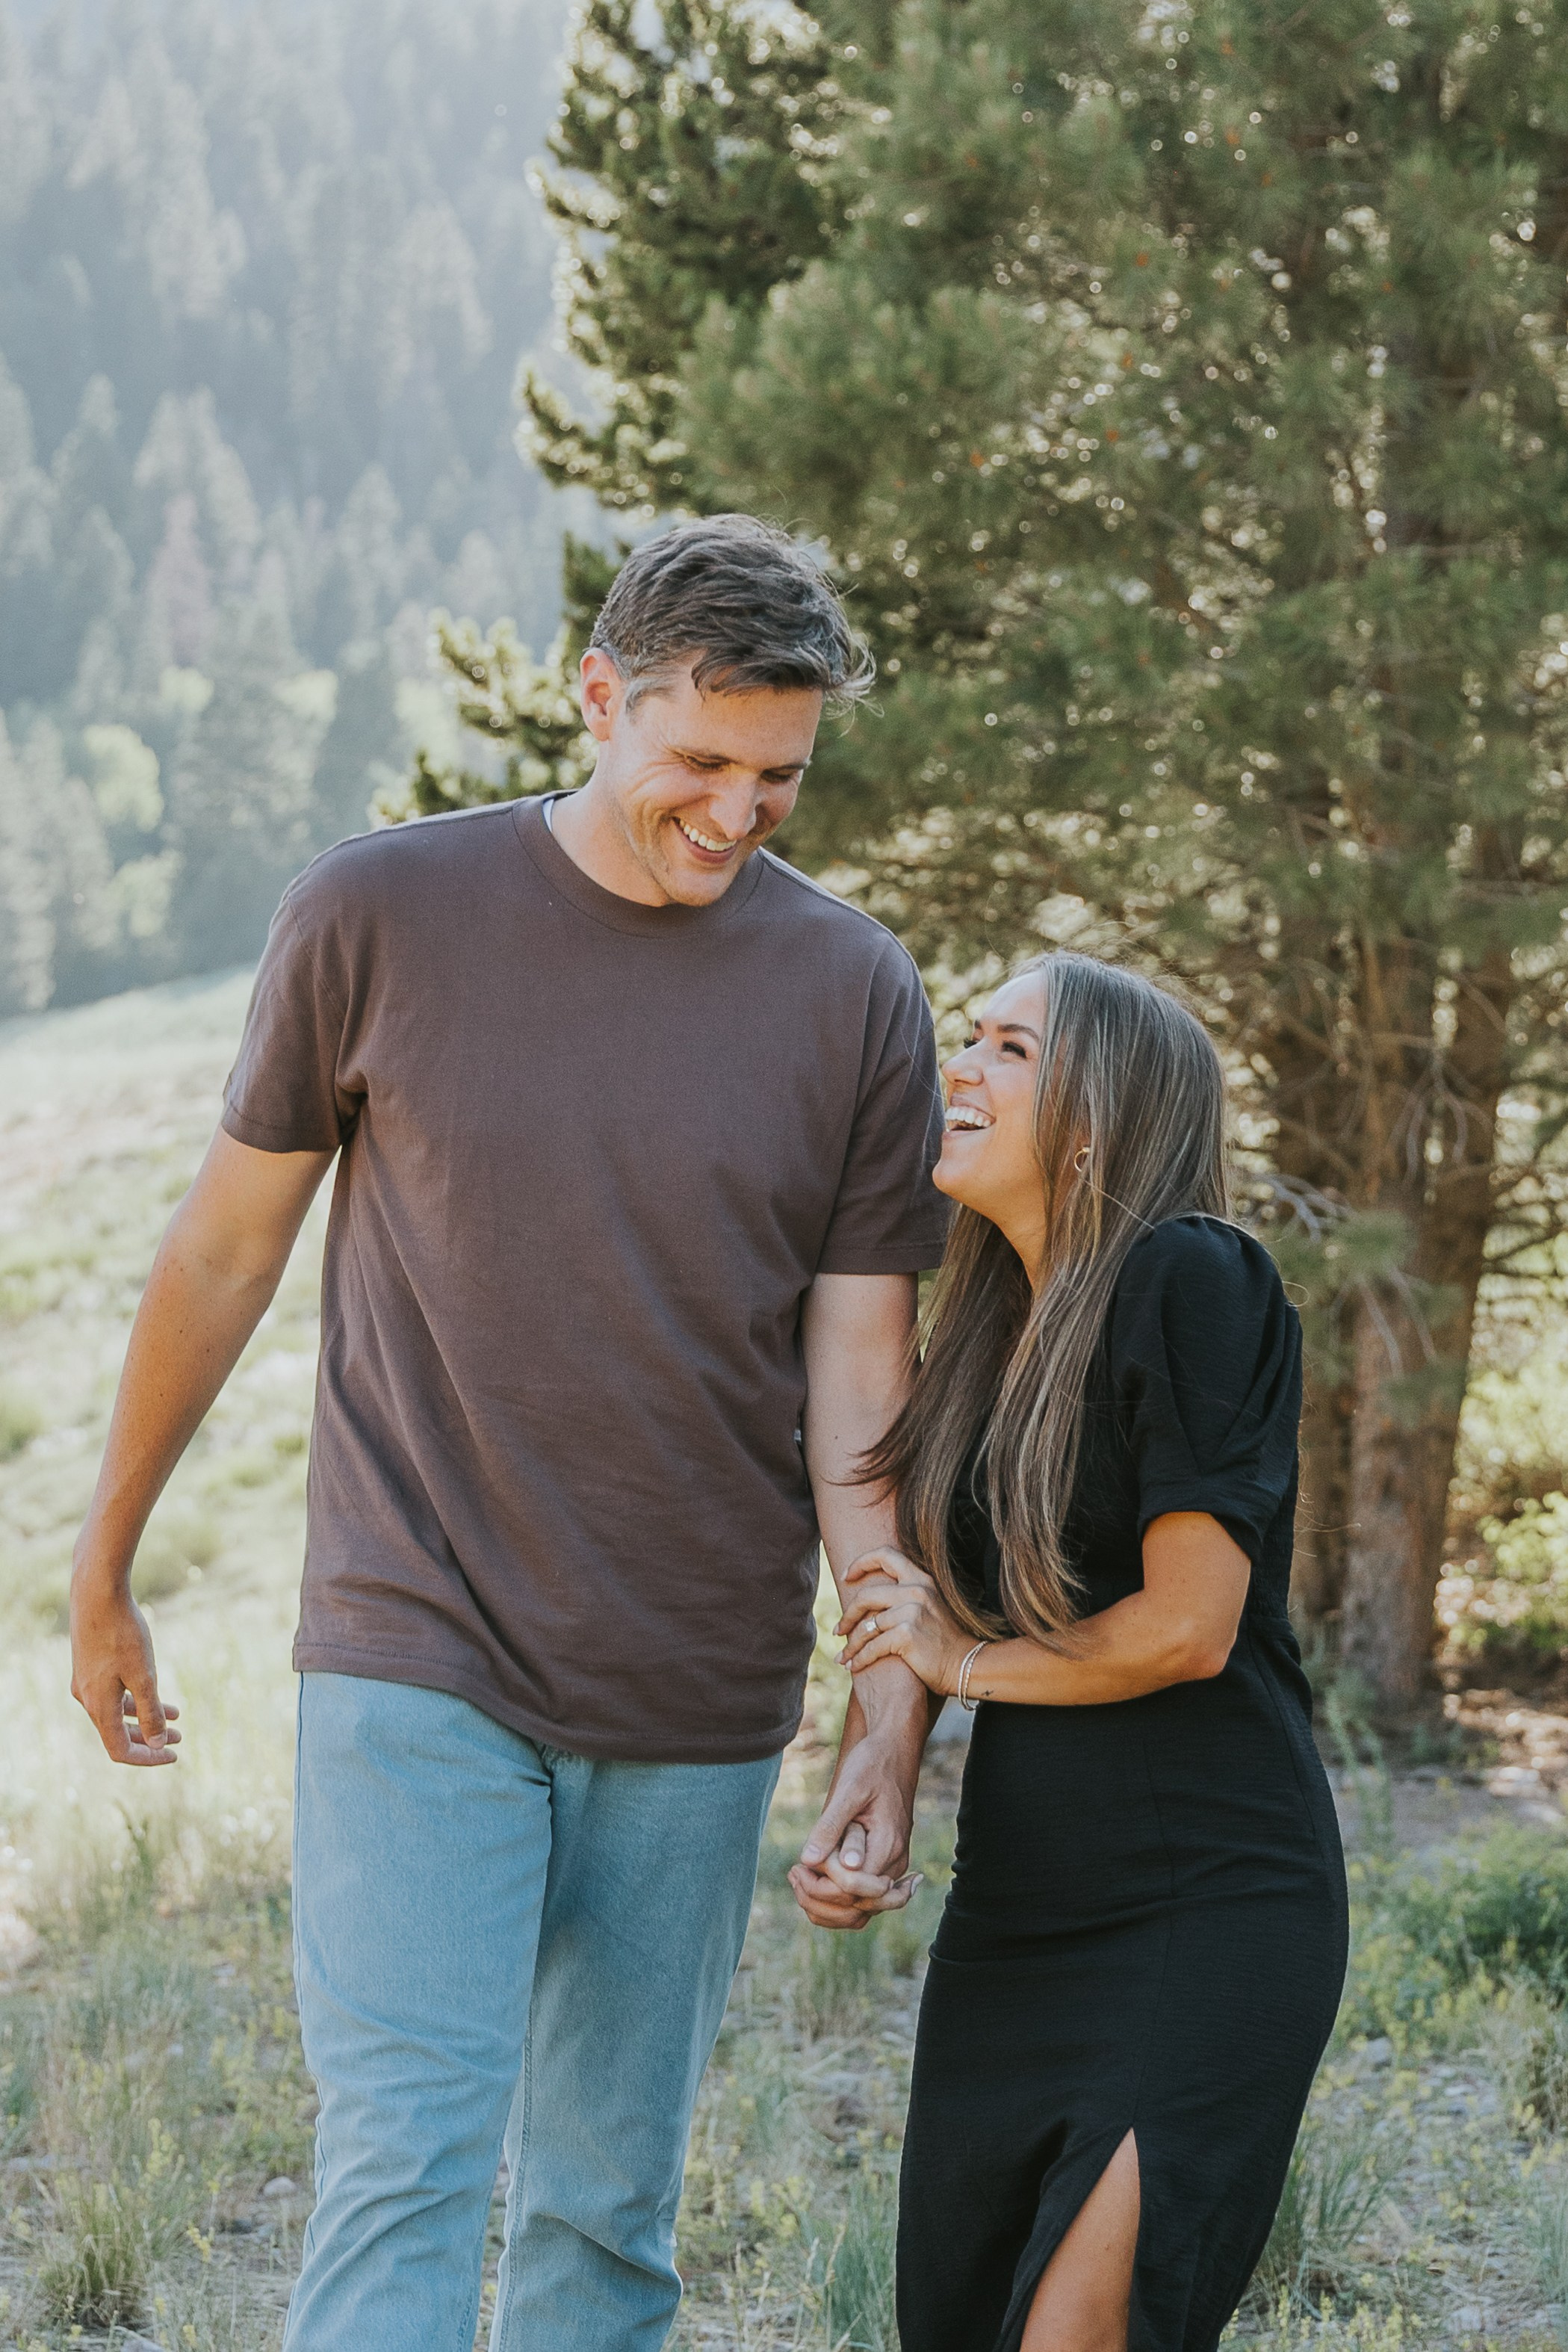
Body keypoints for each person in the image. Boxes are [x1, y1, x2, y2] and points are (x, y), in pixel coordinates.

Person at [67, 514, 949, 2351]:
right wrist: (106, 1565)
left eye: (779, 776)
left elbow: (862, 1385)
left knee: (605, 2213)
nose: (735, 812)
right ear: (599, 697)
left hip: (698, 1673)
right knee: (407, 2156)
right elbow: (224, 1251)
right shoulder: (377, 913)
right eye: (699, 760)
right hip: (417, 1635)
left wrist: (892, 1705)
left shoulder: (855, 990)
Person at [822, 952, 1349, 2352]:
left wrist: (963, 1668)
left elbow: (1187, 1627)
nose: (961, 1067)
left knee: (1083, 2328)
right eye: (969, 1038)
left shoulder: (1195, 1275)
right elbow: (926, 1611)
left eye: (1011, 1048)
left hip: (1207, 1902)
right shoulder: (992, 1335)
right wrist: (878, 1779)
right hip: (1016, 1915)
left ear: (1098, 1117)